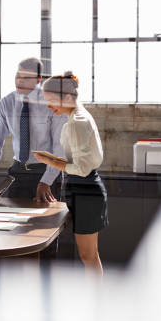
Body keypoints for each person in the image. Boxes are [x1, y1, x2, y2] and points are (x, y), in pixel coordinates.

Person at [34, 71, 108, 276]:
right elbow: (77, 160)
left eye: (51, 101)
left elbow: (82, 169)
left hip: (86, 189)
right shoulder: (76, 117)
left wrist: (50, 160)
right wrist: (51, 157)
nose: (48, 106)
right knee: (90, 256)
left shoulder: (78, 121)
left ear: (67, 97)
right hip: (82, 187)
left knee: (88, 256)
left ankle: (96, 304)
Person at [0, 57, 67, 202]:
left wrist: (47, 180)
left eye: (26, 77)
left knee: (45, 222)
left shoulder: (51, 104)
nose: (20, 81)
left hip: (46, 172)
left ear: (38, 79)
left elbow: (60, 147)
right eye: (18, 76)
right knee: (13, 221)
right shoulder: (6, 103)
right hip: (18, 172)